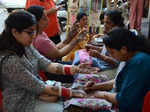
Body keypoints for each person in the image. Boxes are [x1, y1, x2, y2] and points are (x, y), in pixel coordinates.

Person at [0, 10, 99, 112]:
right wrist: (70, 92)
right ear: (15, 32)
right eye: (29, 32)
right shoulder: (9, 60)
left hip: (35, 94)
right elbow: (39, 86)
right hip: (22, 104)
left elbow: (47, 64)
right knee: (63, 108)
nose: (33, 36)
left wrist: (75, 69)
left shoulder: (26, 46)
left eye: (34, 31)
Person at [84, 28, 150, 112]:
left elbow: (125, 100)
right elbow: (118, 82)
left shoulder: (139, 62)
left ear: (123, 49)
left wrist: (102, 95)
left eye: (112, 52)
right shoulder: (132, 57)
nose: (111, 56)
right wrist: (95, 87)